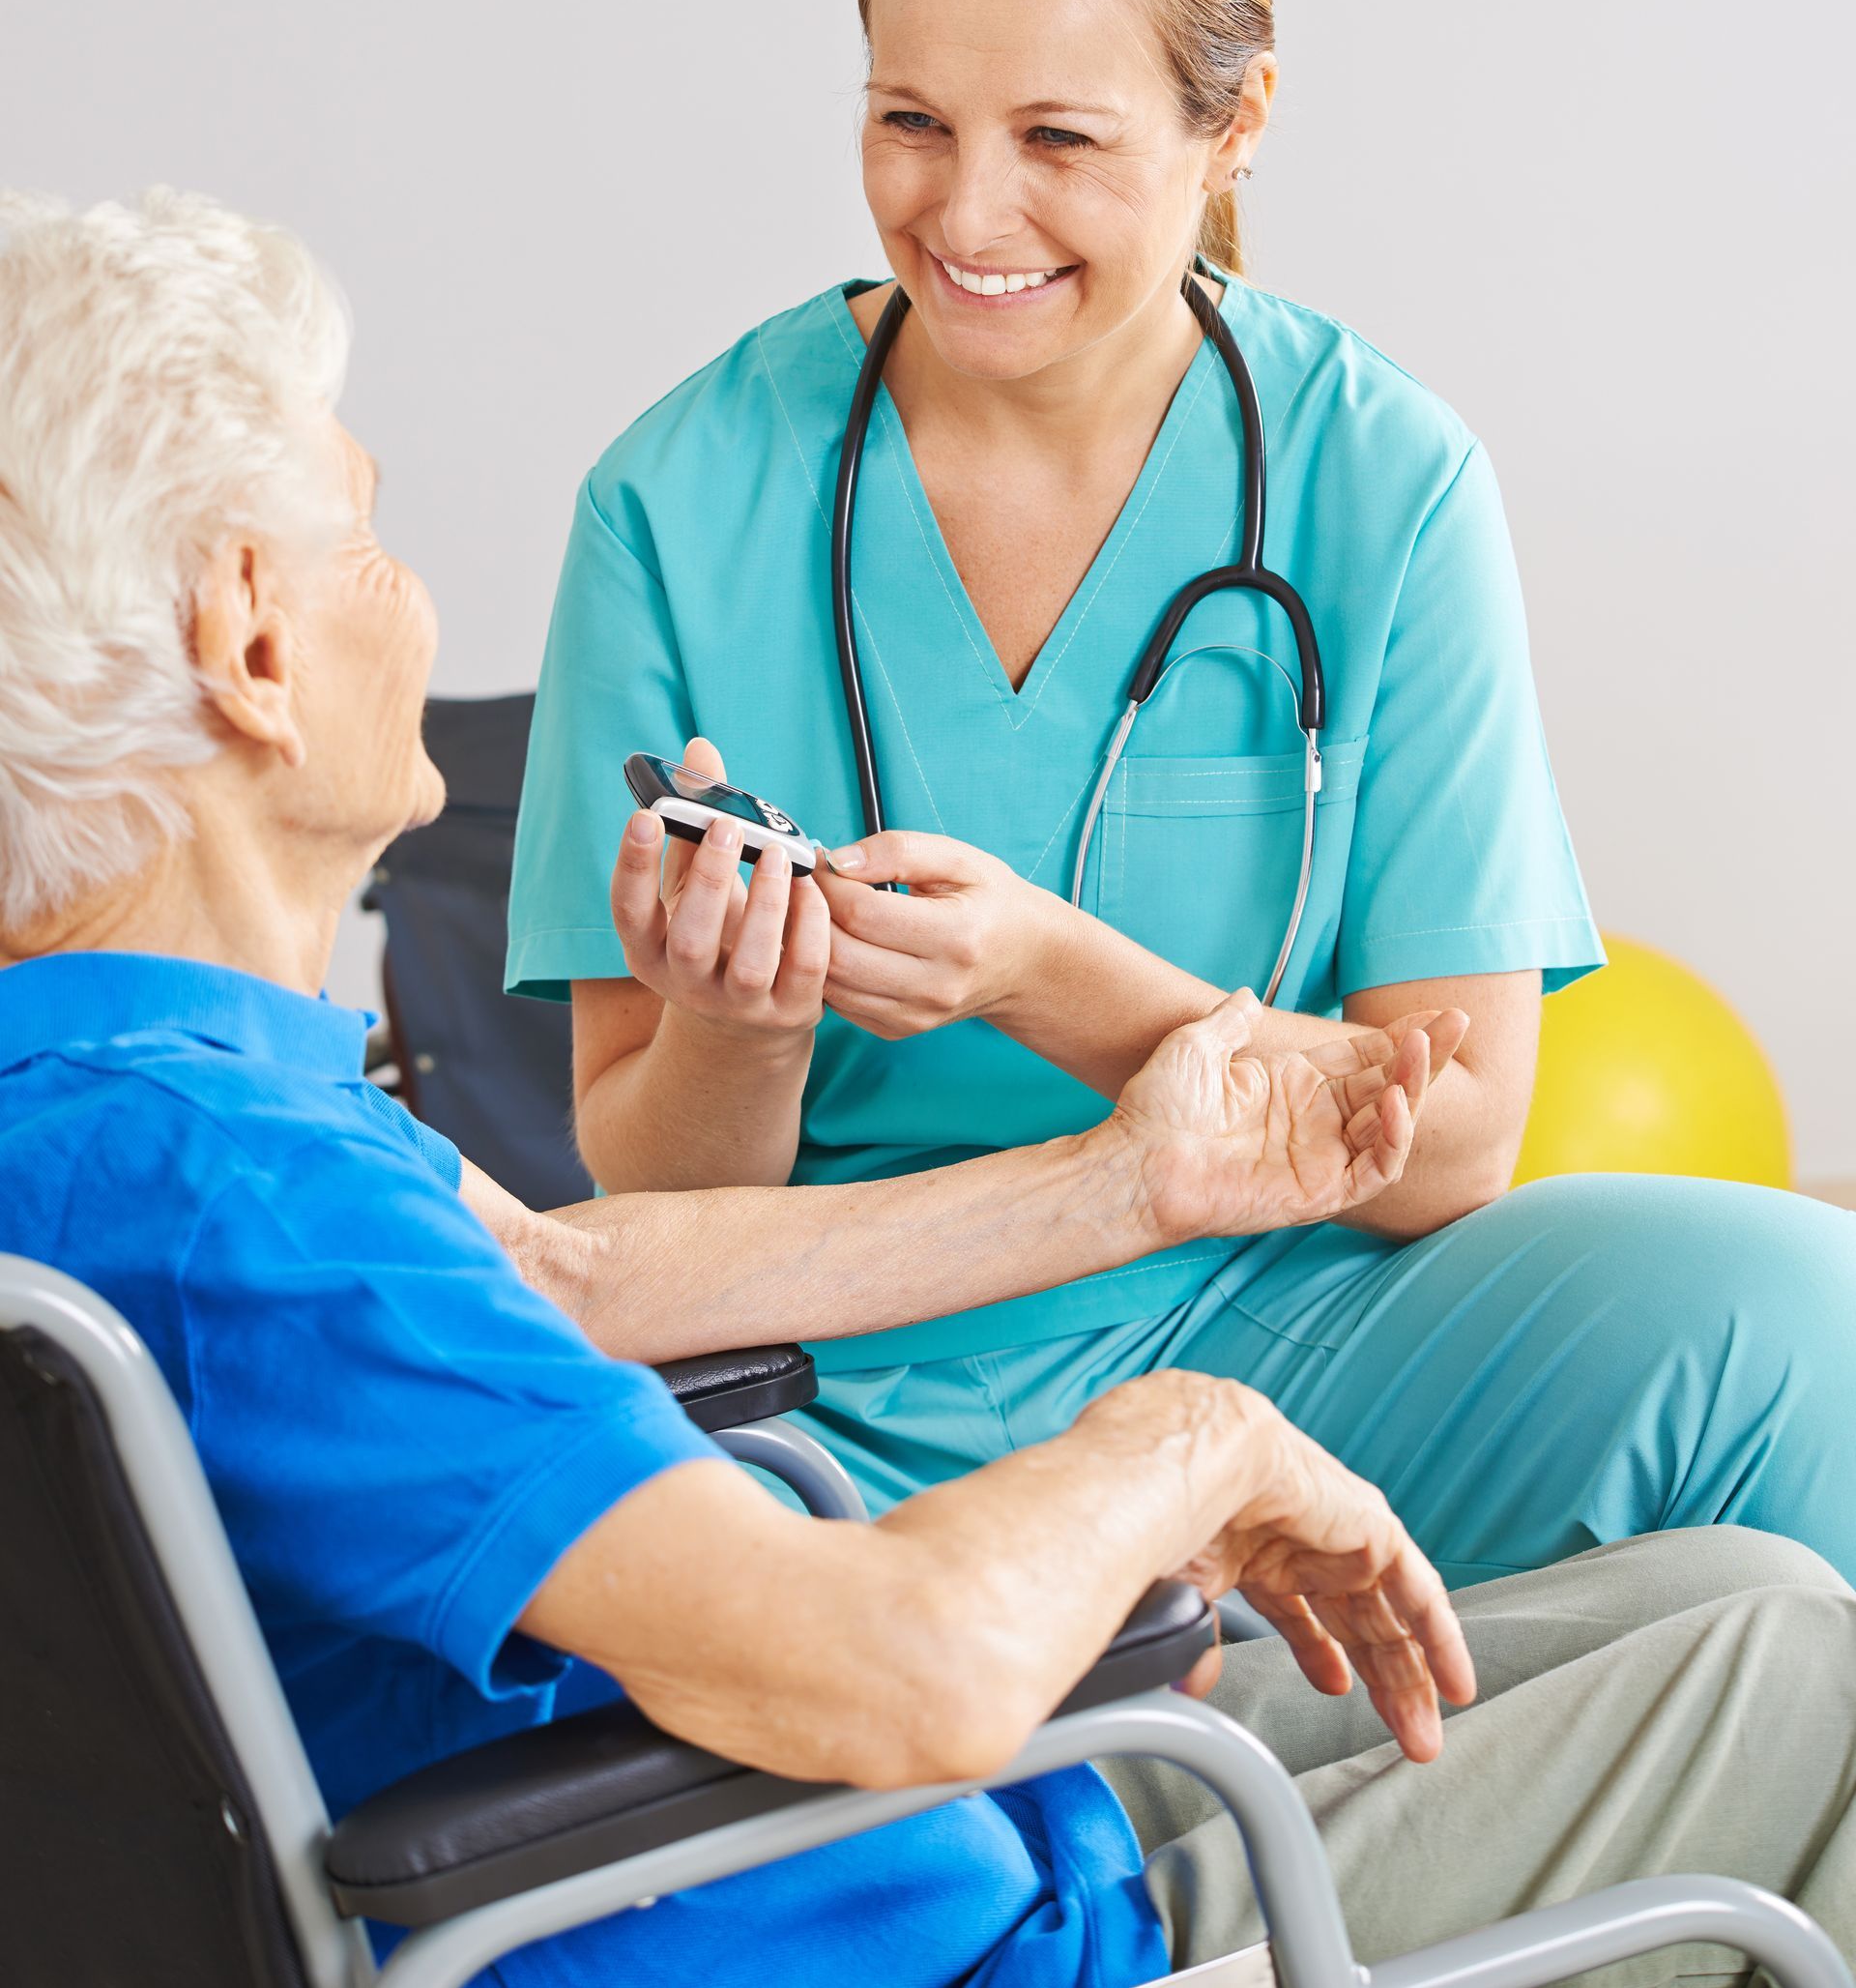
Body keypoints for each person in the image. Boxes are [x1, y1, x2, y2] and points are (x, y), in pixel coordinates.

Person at [5, 190, 1855, 1988]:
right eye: (364, 532)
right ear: (254, 644)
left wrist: (1138, 1180)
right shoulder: (245, 1197)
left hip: (863, 1841)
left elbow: (569, 1275)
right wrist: (1178, 1445)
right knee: (1816, 1692)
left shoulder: (134, 1105)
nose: (404, 598)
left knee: (1750, 1586)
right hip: (935, 1922)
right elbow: (894, 1670)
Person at [506, 0, 1856, 1564]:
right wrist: (744, 1026)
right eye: (912, 121)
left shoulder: (1382, 475)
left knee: (1805, 1311)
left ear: (1237, 124)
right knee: (590, 1551)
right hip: (831, 1379)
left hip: (1287, 1322)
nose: (967, 216)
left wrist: (1046, 971)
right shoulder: (677, 498)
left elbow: (1449, 1141)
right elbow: (648, 1207)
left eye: (1058, 140)